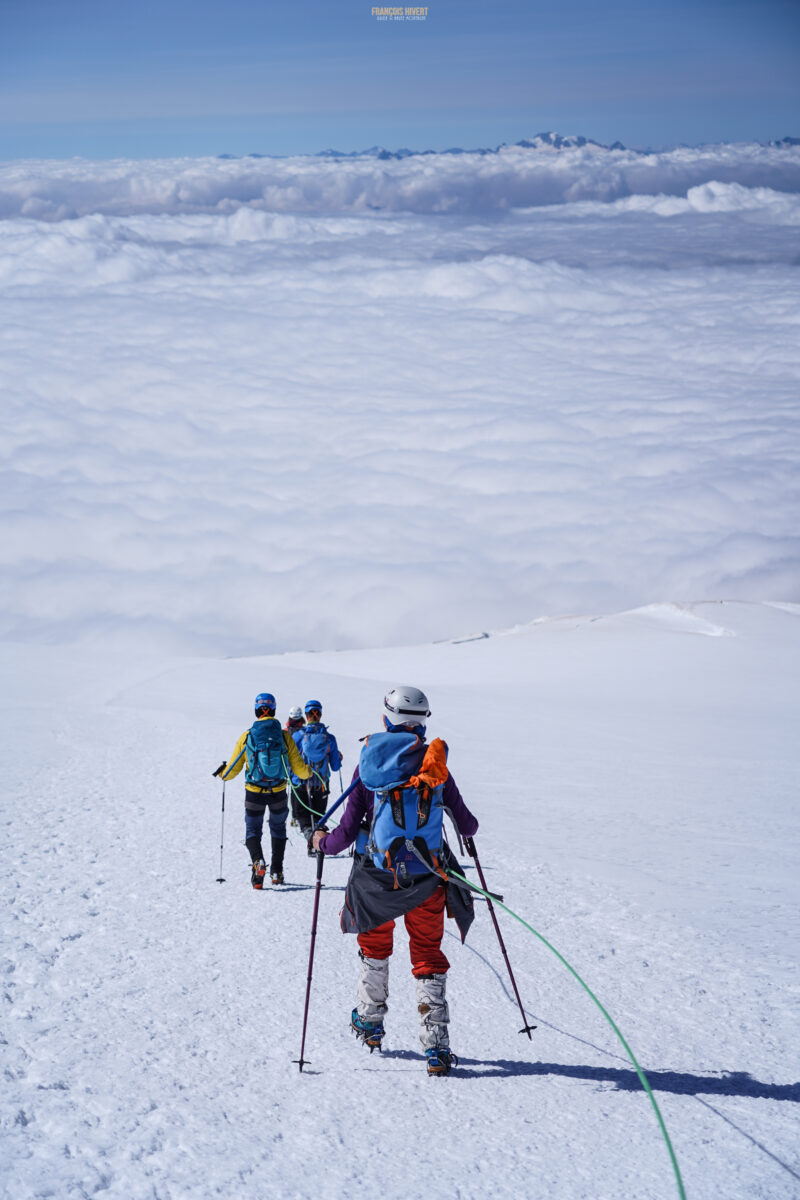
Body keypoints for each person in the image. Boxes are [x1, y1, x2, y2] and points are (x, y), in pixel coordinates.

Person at [312, 685, 478, 1076]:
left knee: (375, 947)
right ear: (423, 722)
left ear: (387, 717)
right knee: (427, 955)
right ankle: (436, 1047)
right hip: (427, 878)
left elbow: (345, 836)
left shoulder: (368, 766)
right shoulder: (435, 767)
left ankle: (370, 1022)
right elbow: (468, 825)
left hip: (375, 880)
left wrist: (321, 840)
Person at [220, 692, 311, 887]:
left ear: (256, 711)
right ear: (274, 710)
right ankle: (276, 872)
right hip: (278, 791)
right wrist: (309, 772)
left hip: (253, 791)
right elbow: (300, 771)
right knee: (277, 829)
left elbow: (232, 770)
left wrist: (223, 774)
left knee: (253, 830)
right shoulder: (284, 736)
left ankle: (257, 862)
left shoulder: (247, 735)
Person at [294, 700, 343, 853]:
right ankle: (317, 844)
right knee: (319, 818)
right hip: (322, 784)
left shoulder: (298, 737)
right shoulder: (329, 738)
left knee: (303, 818)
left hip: (302, 783)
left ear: (306, 716)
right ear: (320, 715)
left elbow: (291, 762)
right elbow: (335, 767)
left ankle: (311, 840)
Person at [285, 706, 306, 826]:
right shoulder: (303, 732)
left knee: (294, 790)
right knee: (296, 790)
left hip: (291, 766)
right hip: (300, 766)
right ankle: (296, 816)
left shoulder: (287, 731)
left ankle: (294, 816)